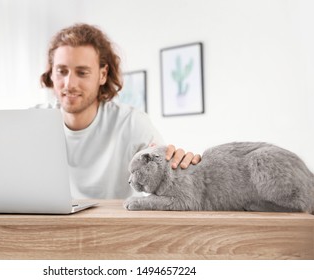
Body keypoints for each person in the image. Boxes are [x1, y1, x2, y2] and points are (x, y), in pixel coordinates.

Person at [40, 23, 201, 199]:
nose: (69, 84)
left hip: (116, 226)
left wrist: (182, 168)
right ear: (51, 74)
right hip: (51, 226)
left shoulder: (132, 123)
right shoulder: (32, 122)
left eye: (82, 72)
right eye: (61, 71)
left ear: (102, 75)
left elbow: (165, 176)